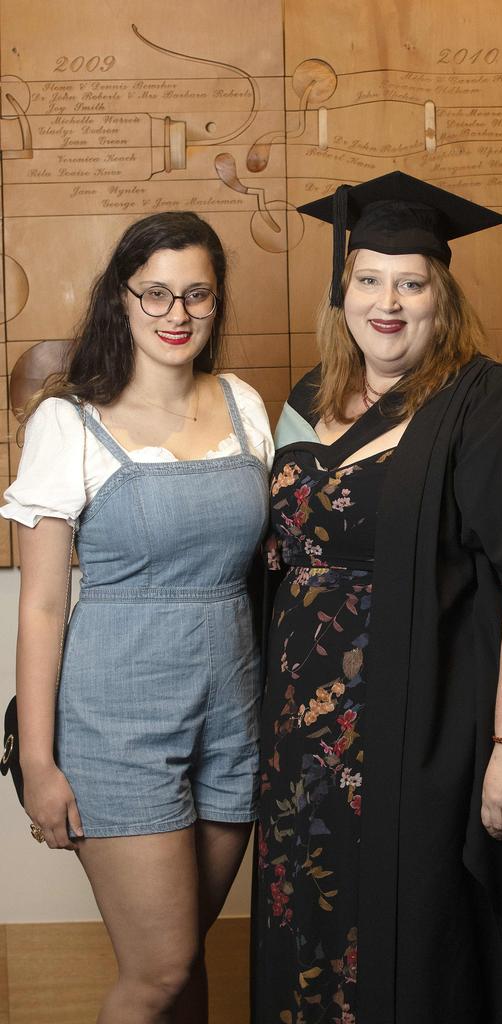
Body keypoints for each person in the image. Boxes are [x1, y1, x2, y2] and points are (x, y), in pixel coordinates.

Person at [252, 172, 502, 1024]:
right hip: (297, 739)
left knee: (404, 932)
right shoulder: (306, 401)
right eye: (369, 280)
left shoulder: (492, 407)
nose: (388, 302)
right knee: (304, 920)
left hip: (417, 729)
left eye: (411, 283)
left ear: (441, 297)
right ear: (344, 289)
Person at [2, 212, 274, 1024]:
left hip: (235, 713)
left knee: (187, 963)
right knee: (156, 972)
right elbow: (43, 605)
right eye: (154, 293)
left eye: (197, 294)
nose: (176, 313)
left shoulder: (244, 405)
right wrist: (41, 764)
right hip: (115, 725)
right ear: (120, 300)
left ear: (217, 303)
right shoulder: (66, 421)